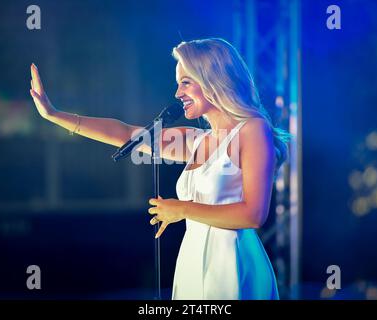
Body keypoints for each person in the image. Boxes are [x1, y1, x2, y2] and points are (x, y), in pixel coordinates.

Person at [29, 38, 290, 300]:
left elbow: (253, 214)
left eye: (185, 82)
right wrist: (54, 115)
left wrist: (182, 209)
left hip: (232, 265)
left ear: (213, 79)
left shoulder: (253, 130)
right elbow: (126, 133)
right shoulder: (196, 139)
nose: (177, 94)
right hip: (192, 261)